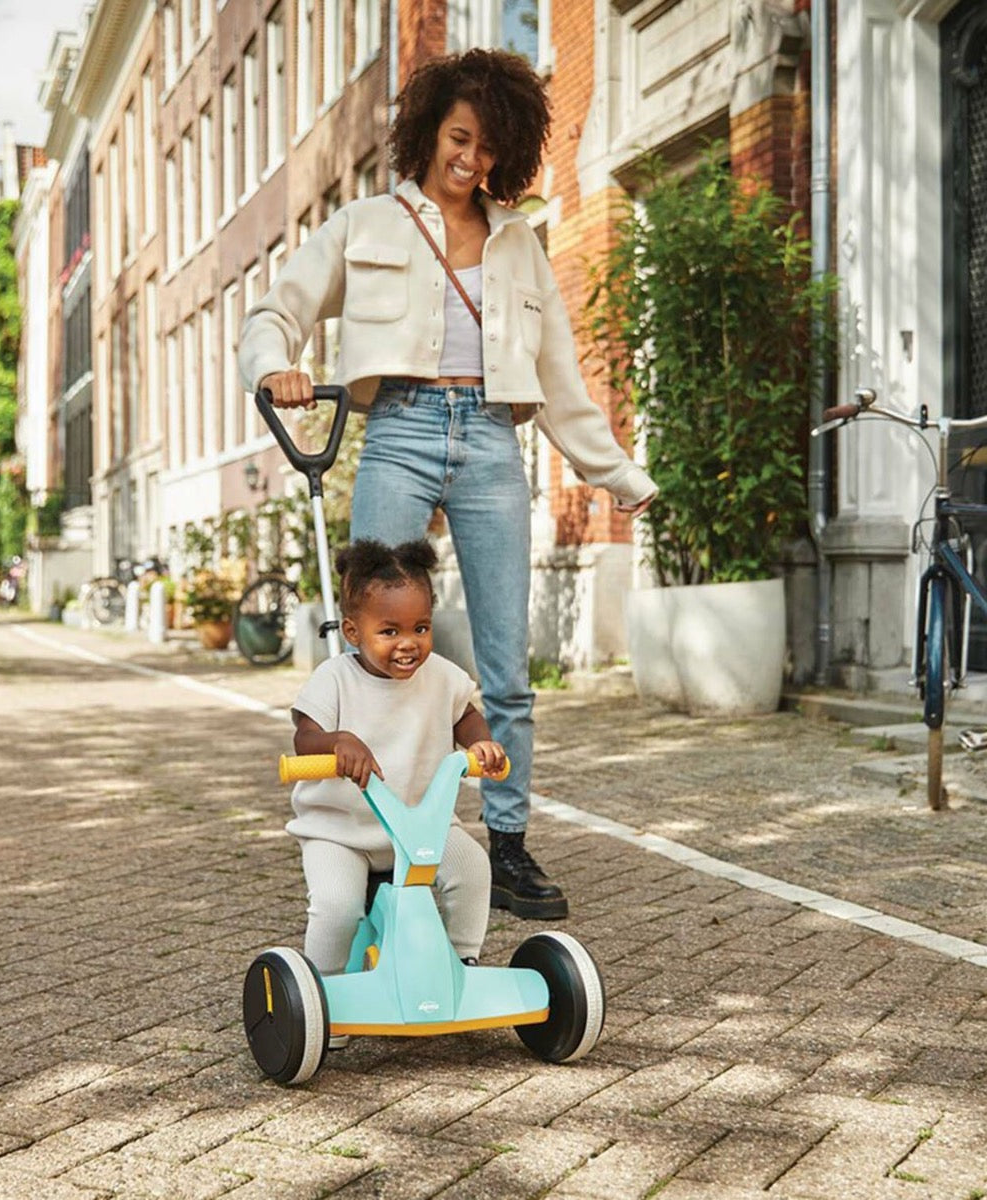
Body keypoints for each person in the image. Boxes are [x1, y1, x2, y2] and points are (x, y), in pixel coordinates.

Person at [240, 48, 657, 921]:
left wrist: (615, 474)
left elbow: (559, 381)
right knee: (372, 647)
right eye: (460, 139)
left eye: (490, 147)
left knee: (505, 668)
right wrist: (278, 365)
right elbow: (276, 309)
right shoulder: (365, 224)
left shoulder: (518, 244)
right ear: (429, 131)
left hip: (491, 442)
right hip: (399, 429)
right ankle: (366, 838)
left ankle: (504, 847)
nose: (472, 160)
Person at [289, 538, 505, 978]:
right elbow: (304, 738)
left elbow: (465, 715)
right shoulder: (334, 679)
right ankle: (322, 992)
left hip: (422, 823)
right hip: (340, 831)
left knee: (473, 869)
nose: (408, 644)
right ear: (353, 633)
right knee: (336, 907)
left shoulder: (441, 675)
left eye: (420, 628)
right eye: (390, 632)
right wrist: (338, 741)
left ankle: (464, 961)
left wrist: (480, 743)